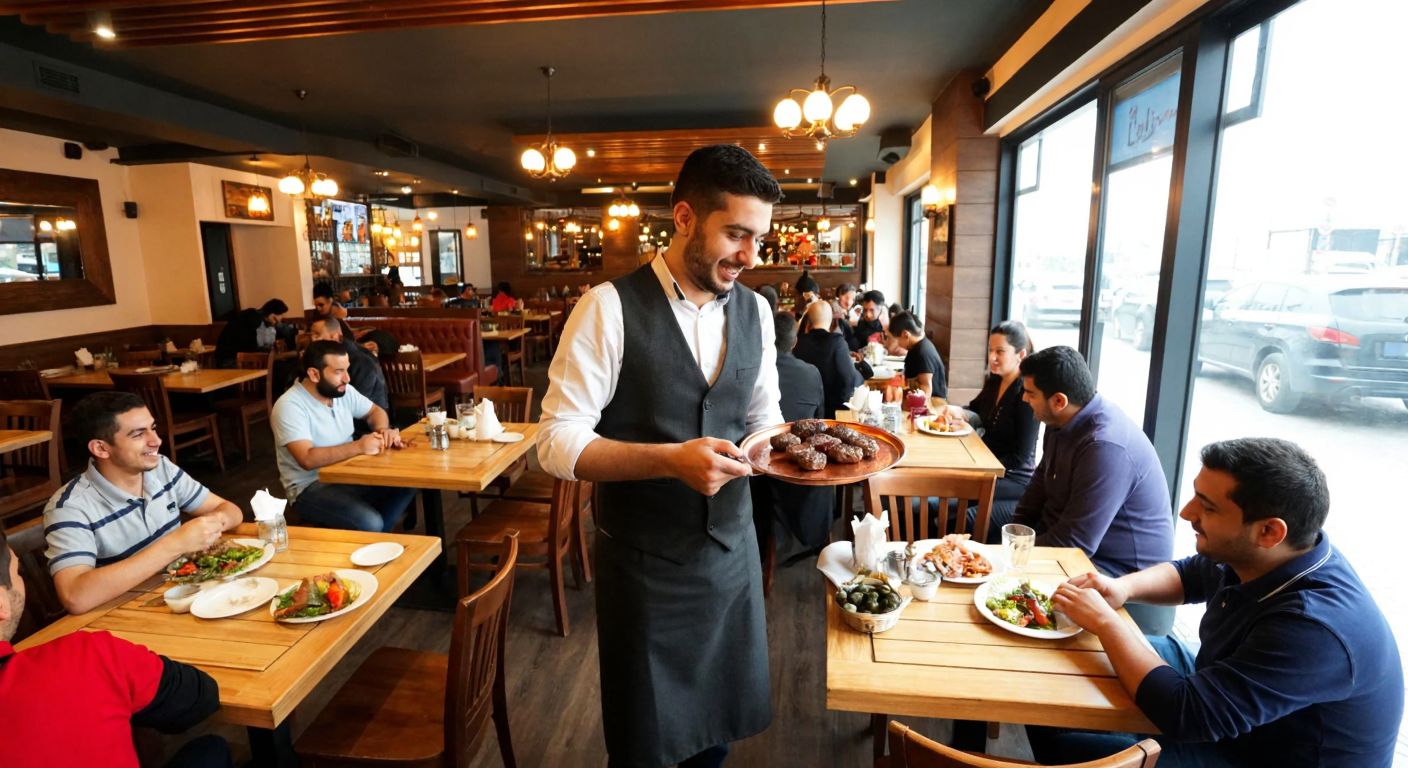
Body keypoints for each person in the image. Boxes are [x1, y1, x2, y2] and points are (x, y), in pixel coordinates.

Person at [538, 144, 783, 768]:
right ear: (683, 218)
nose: (749, 257)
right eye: (735, 234)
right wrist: (670, 460)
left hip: (730, 557)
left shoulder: (756, 310)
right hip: (645, 566)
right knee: (646, 744)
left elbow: (763, 420)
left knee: (716, 737)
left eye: (758, 238)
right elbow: (558, 442)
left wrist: (790, 453)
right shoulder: (607, 308)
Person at [1033, 438, 1403, 767]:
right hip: (1225, 690)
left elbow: (1188, 714)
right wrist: (1121, 588)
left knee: (1073, 746)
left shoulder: (1314, 628)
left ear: (1270, 531)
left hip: (1255, 751)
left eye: (1207, 507)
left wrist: (1108, 623)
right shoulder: (1270, 554)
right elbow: (1194, 574)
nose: (1187, 513)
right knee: (1067, 674)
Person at [0, 528, 233, 768]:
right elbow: (199, 698)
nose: (21, 580)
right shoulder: (86, 656)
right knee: (210, 750)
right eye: (17, 572)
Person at [1012, 346, 1173, 631]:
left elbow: (1075, 543)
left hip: (1118, 573)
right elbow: (1039, 480)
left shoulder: (1105, 446)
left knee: (1017, 613)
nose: (1024, 399)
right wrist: (1016, 537)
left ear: (1059, 400)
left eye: (1030, 393)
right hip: (1079, 552)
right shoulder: (1060, 418)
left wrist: (1017, 558)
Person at [42, 392, 244, 615]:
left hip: (181, 597)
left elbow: (231, 510)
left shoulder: (161, 469)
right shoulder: (69, 508)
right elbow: (75, 596)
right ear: (101, 448)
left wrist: (214, 522)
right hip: (123, 619)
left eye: (153, 428)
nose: (156, 440)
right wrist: (176, 544)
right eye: (138, 434)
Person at [270, 340, 416, 532]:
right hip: (310, 486)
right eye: (338, 371)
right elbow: (307, 458)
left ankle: (374, 539)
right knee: (370, 522)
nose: (347, 378)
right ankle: (374, 536)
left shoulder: (342, 392)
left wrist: (383, 430)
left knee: (408, 483)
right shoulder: (289, 406)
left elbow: (375, 411)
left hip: (348, 473)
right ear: (314, 374)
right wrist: (358, 447)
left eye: (347, 369)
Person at [752, 311, 833, 555]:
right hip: (798, 473)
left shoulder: (749, 370)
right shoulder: (810, 373)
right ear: (795, 342)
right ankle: (818, 539)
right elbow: (820, 421)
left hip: (753, 470)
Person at [946, 321, 1038, 509]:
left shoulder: (1026, 395)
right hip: (984, 464)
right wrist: (958, 411)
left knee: (950, 493)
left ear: (1020, 355)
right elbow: (975, 408)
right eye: (990, 350)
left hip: (1013, 478)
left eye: (1000, 352)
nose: (992, 357)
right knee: (943, 480)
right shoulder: (995, 380)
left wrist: (979, 461)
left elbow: (1020, 457)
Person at [793, 299, 863, 417]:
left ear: (809, 320)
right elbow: (848, 378)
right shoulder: (837, 342)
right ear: (831, 319)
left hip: (806, 408)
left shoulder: (798, 343)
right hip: (833, 410)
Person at [309, 318, 388, 416]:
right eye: (311, 335)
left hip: (364, 422)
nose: (312, 339)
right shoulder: (320, 356)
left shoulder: (360, 361)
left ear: (335, 337)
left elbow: (357, 406)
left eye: (317, 335)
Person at [888, 312, 947, 399]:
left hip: (933, 404)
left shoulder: (923, 352)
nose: (896, 344)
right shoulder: (915, 347)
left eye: (895, 339)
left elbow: (926, 390)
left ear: (905, 334)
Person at [214, 298, 286, 367]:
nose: (274, 323)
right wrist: (270, 351)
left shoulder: (251, 315)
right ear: (270, 314)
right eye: (274, 319)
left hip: (226, 358)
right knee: (278, 367)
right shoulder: (254, 319)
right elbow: (251, 348)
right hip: (230, 360)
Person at [833, 283, 861, 350]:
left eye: (852, 299)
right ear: (839, 295)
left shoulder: (849, 311)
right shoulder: (834, 307)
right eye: (846, 297)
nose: (849, 302)